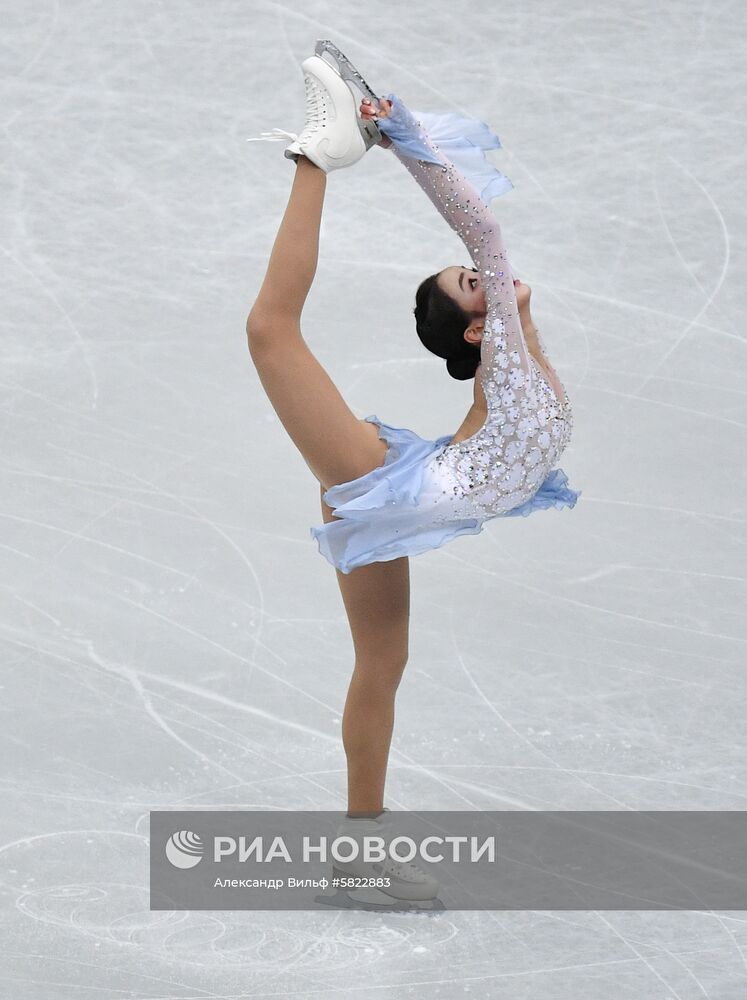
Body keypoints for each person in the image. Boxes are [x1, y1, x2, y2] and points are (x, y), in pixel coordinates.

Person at [246, 43, 579, 910]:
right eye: (477, 287)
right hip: (391, 487)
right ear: (478, 328)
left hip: (402, 493)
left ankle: (358, 859)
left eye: (477, 284)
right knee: (269, 332)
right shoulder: (504, 355)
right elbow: (483, 228)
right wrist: (398, 141)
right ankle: (312, 158)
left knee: (380, 665)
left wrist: (403, 138)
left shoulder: (516, 352)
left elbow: (485, 248)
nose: (493, 282)